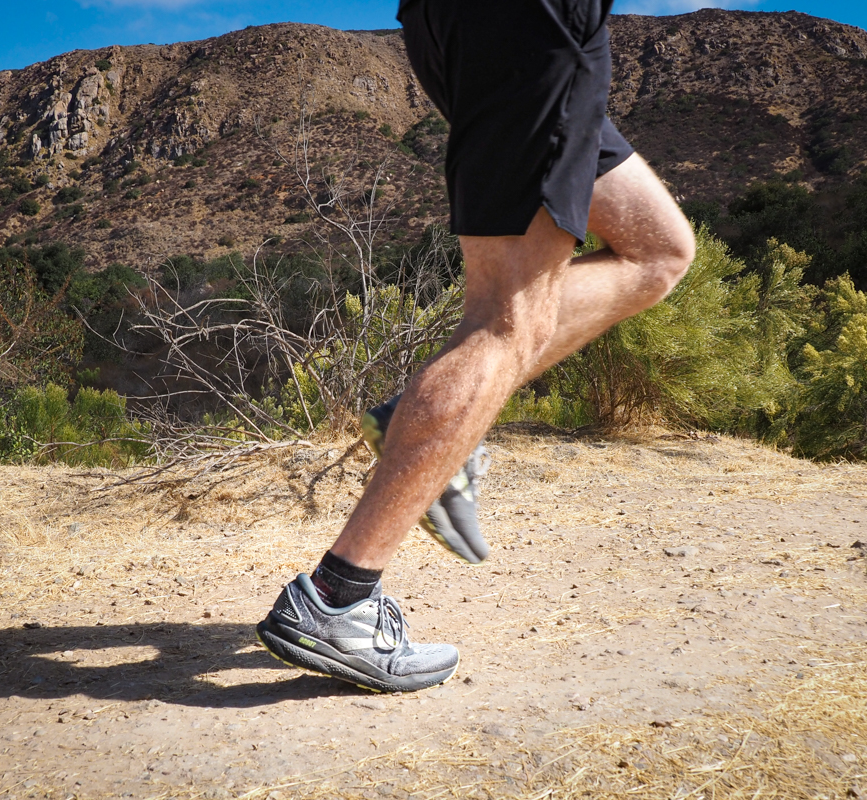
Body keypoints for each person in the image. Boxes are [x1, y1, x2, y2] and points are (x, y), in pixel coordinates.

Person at [256, 0, 695, 692]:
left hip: (470, 23)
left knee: (659, 251)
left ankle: (425, 422)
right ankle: (338, 598)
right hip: (531, 21)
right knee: (507, 319)